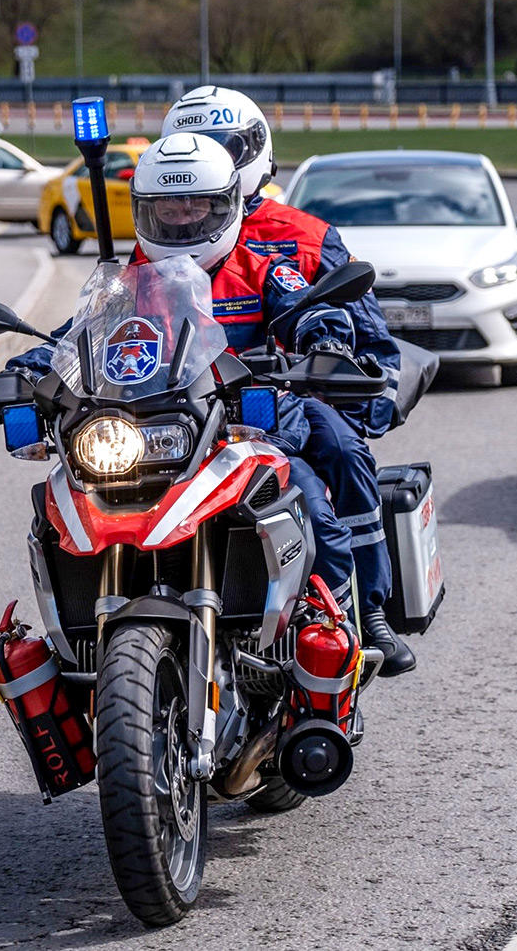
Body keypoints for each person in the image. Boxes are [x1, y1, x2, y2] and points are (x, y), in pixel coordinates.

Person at [7, 132, 360, 619]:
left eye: (196, 207)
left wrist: (325, 340)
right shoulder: (129, 285)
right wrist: (28, 368)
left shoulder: (263, 268)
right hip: (158, 430)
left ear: (226, 205)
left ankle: (336, 626)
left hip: (251, 427)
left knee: (314, 511)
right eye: (167, 209)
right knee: (67, 504)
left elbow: (306, 309)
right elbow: (78, 336)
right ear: (145, 212)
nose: (181, 219)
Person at [161, 88, 414, 675]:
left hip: (284, 397)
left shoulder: (300, 238)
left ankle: (360, 612)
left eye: (227, 147)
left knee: (342, 455)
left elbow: (355, 333)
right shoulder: (161, 247)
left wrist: (339, 376)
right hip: (185, 410)